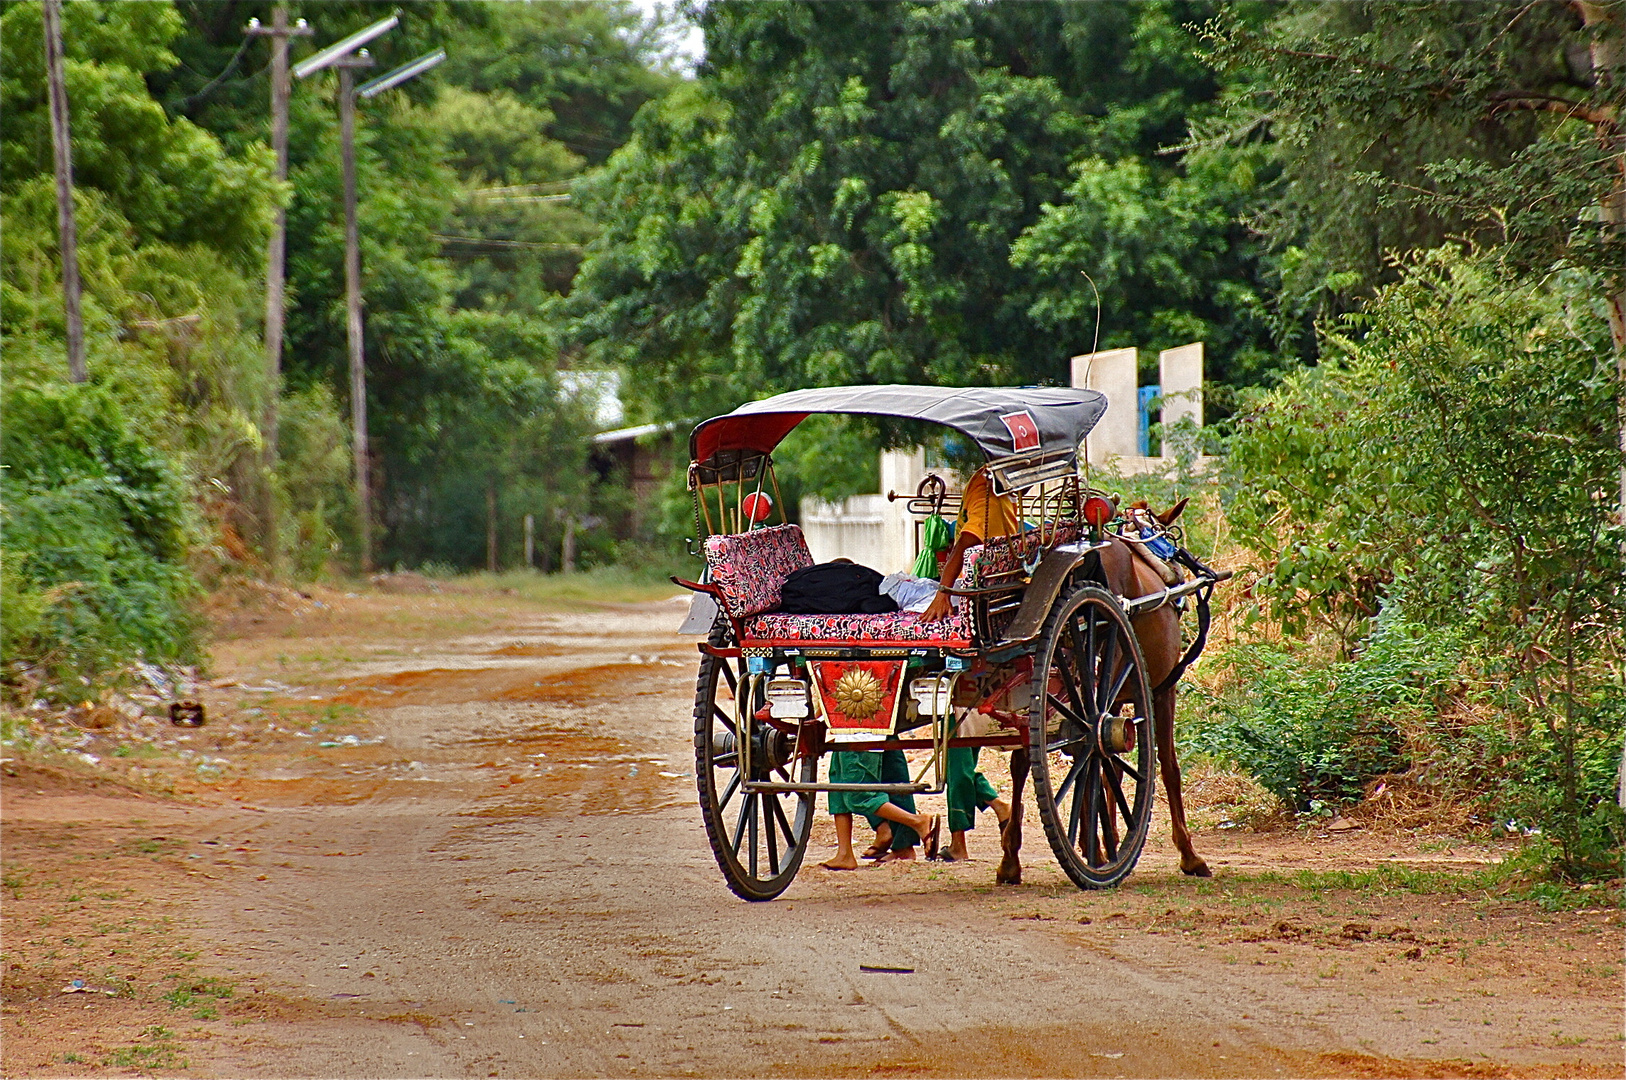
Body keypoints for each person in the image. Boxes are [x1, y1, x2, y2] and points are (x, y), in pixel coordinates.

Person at [920, 464, 1019, 861]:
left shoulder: (985, 479)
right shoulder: (1009, 482)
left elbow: (970, 537)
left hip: (975, 609)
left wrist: (944, 587)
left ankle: (960, 840)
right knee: (956, 738)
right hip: (1001, 596)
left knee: (955, 735)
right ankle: (998, 808)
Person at [819, 749, 939, 870]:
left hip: (859, 735)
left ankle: (916, 821)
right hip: (848, 735)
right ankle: (844, 853)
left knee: (859, 795)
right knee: (839, 785)